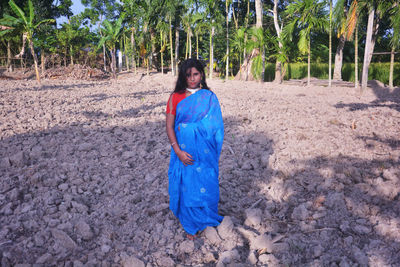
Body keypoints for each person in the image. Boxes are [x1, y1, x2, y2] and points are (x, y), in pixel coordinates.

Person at [165, 58, 224, 239]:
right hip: (184, 153)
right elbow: (169, 127)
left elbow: (215, 126)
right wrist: (178, 152)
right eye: (188, 74)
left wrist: (192, 130)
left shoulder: (209, 97)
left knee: (207, 183)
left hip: (205, 154)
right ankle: (190, 223)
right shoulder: (175, 97)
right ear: (183, 75)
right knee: (188, 185)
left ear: (202, 75)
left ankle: (207, 219)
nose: (192, 78)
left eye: (195, 74)